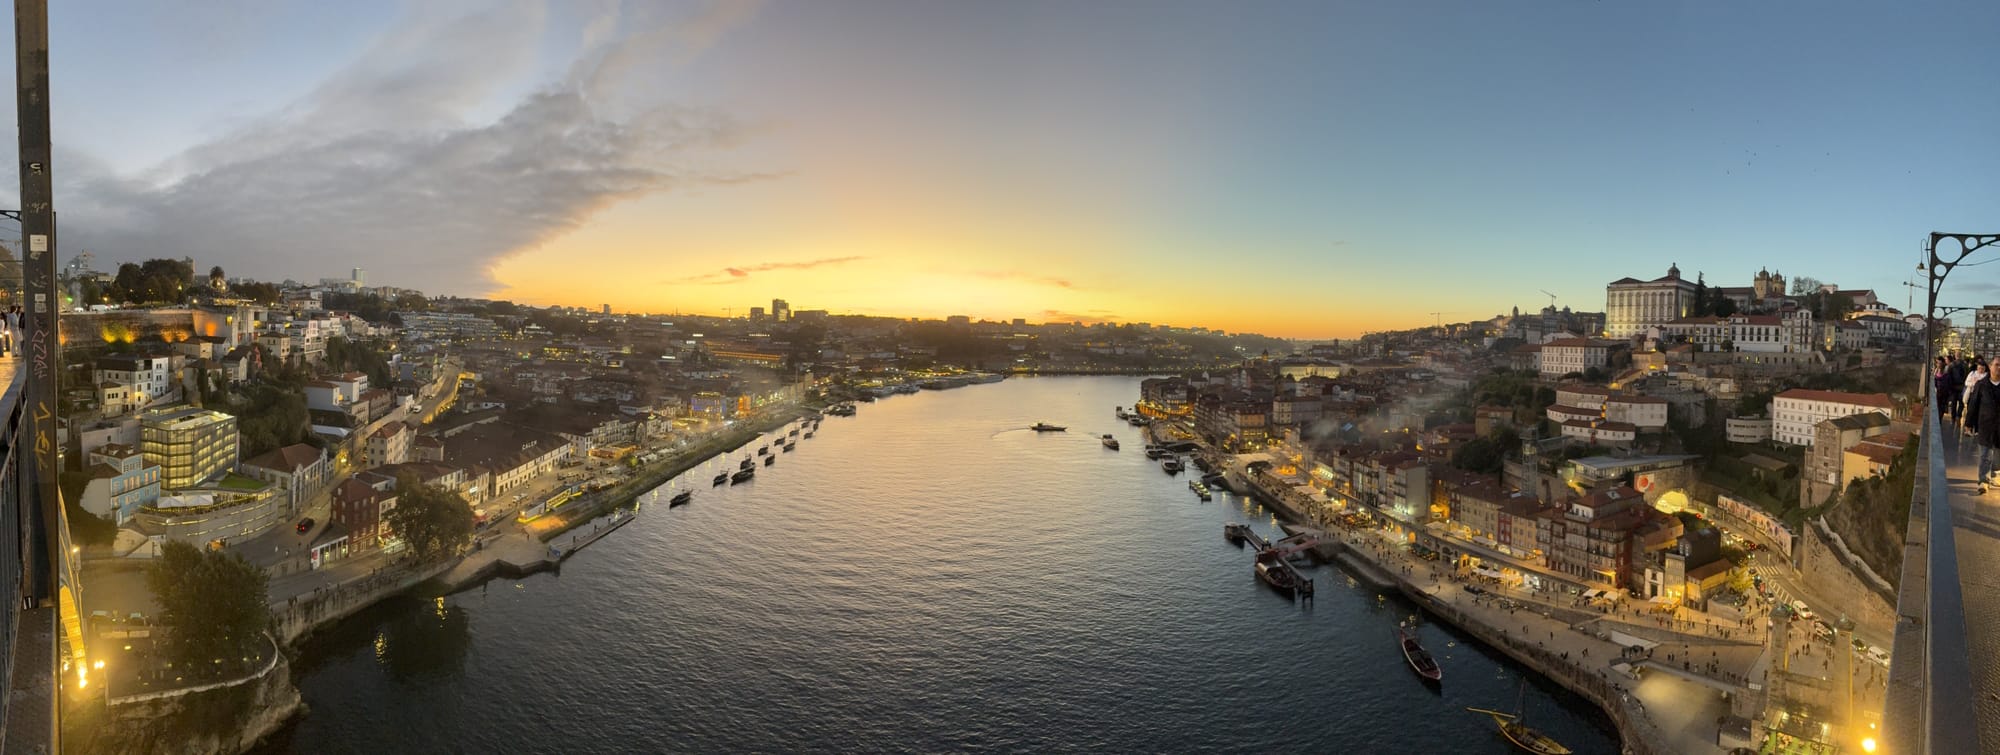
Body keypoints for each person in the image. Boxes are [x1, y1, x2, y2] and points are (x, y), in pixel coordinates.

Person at [1966, 355, 2000, 494]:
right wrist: (1969, 423)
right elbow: (1973, 405)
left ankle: (1995, 475)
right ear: (1990, 366)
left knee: (1997, 455)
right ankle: (1983, 481)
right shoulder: (1982, 385)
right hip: (1985, 425)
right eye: (1996, 365)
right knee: (1985, 454)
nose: (1999, 368)